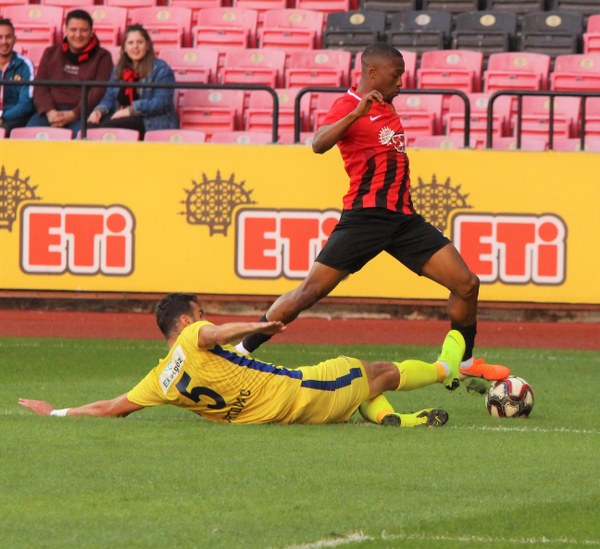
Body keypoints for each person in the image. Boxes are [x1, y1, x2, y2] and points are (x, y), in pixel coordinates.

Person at [236, 42, 510, 389]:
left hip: (403, 219)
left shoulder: (388, 106)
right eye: (396, 76)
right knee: (308, 293)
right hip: (364, 217)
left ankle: (465, 360)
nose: (401, 83)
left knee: (467, 284)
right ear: (372, 72)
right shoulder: (348, 105)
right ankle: (242, 350)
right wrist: (355, 114)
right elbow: (318, 143)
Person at [19, 293, 466, 427]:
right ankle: (450, 366)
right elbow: (216, 332)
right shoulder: (194, 336)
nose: (204, 318)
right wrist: (261, 328)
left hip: (275, 417)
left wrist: (55, 411)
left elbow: (109, 408)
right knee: (377, 372)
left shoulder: (159, 380)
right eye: (199, 312)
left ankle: (399, 421)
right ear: (186, 319)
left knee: (363, 390)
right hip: (299, 391)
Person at [26, 9, 113, 135]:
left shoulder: (103, 56)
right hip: (50, 113)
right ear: (65, 30)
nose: (78, 35)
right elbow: (40, 87)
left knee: (79, 143)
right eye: (73, 30)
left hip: (83, 114)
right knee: (28, 137)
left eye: (84, 30)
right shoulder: (50, 53)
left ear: (92, 32)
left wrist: (74, 114)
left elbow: (97, 92)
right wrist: (50, 111)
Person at [87, 25, 178, 139]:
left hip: (151, 121)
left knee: (109, 128)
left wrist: (131, 110)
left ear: (148, 46)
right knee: (89, 127)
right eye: (130, 43)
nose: (135, 46)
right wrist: (99, 111)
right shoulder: (118, 69)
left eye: (140, 42)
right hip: (120, 116)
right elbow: (108, 97)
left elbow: (162, 102)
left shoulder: (162, 69)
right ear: (124, 47)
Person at [0, 18, 34, 135]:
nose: (4, 41)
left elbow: (26, 104)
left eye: (8, 37)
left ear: (15, 39)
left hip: (14, 119)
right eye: (0, 37)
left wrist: (3, 117)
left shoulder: (25, 65)